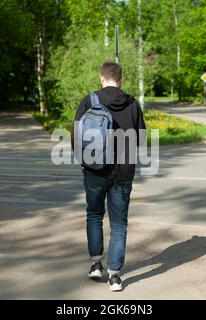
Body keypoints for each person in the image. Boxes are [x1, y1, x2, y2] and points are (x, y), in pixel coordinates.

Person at [71, 61, 146, 291]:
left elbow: (76, 137)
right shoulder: (132, 103)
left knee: (94, 215)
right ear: (121, 80)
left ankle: (95, 264)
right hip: (123, 173)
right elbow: (141, 140)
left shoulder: (90, 100)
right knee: (119, 224)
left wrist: (85, 163)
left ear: (101, 79)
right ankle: (115, 277)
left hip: (94, 171)